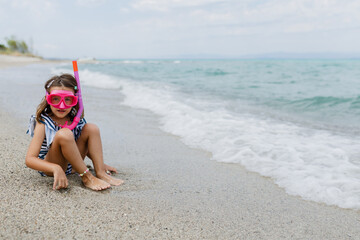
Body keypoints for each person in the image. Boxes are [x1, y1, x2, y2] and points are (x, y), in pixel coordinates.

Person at [25, 73, 124, 191]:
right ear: (48, 99)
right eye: (55, 99)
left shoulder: (76, 120)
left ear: (76, 100)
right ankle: (87, 178)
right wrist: (55, 168)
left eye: (68, 99)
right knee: (64, 134)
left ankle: (100, 172)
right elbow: (30, 159)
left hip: (72, 166)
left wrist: (99, 163)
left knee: (91, 128)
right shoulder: (43, 122)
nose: (61, 105)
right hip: (51, 167)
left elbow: (83, 144)